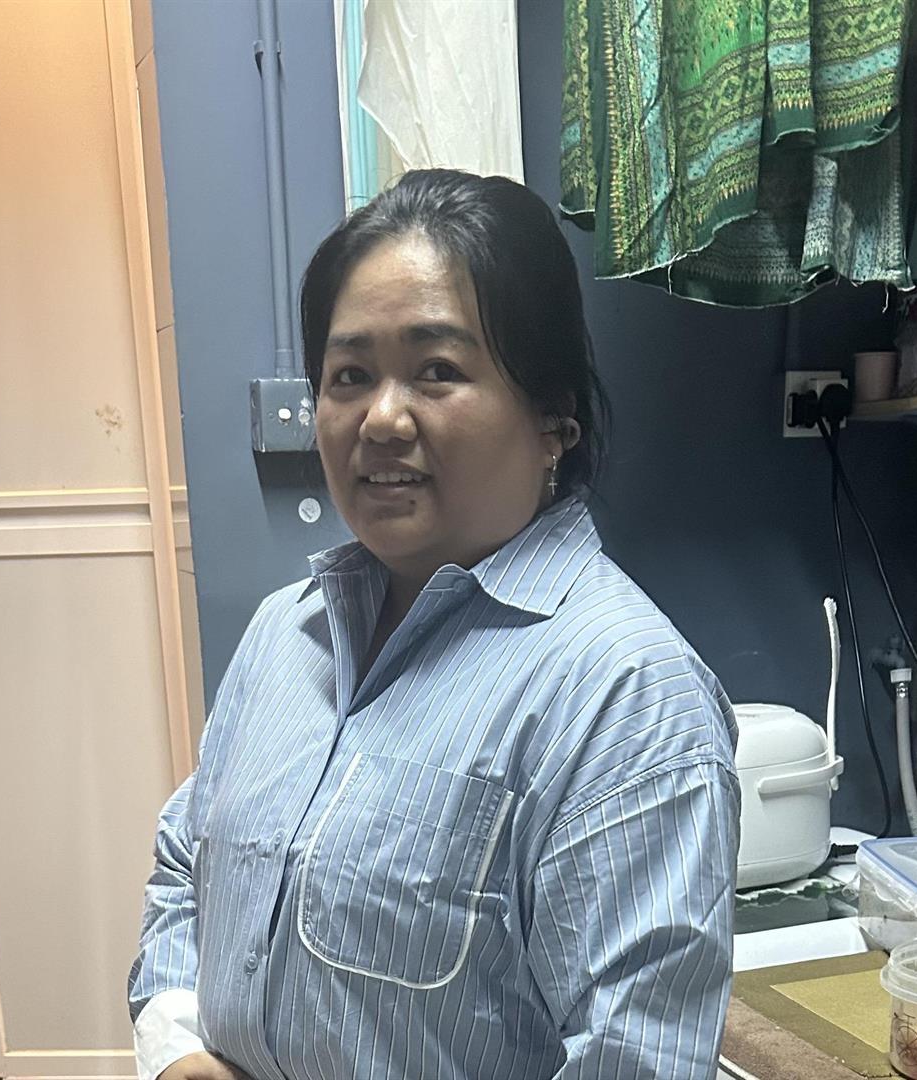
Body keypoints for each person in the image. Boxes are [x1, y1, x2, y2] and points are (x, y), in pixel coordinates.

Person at [129, 169, 740, 1080]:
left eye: (437, 371)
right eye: (348, 375)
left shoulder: (623, 698)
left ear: (552, 419)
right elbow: (188, 865)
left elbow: (634, 1060)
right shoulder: (283, 636)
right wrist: (176, 1046)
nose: (380, 418)